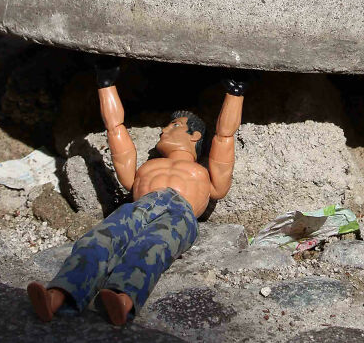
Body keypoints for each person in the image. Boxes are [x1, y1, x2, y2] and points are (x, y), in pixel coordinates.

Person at [27, 66, 247, 326]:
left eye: (174, 125)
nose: (163, 131)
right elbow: (115, 129)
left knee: (151, 248)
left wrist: (235, 94)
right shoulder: (146, 168)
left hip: (179, 213)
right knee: (98, 240)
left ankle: (123, 300)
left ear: (195, 136)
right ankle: (59, 295)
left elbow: (224, 137)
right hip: (139, 206)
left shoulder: (202, 172)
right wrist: (106, 84)